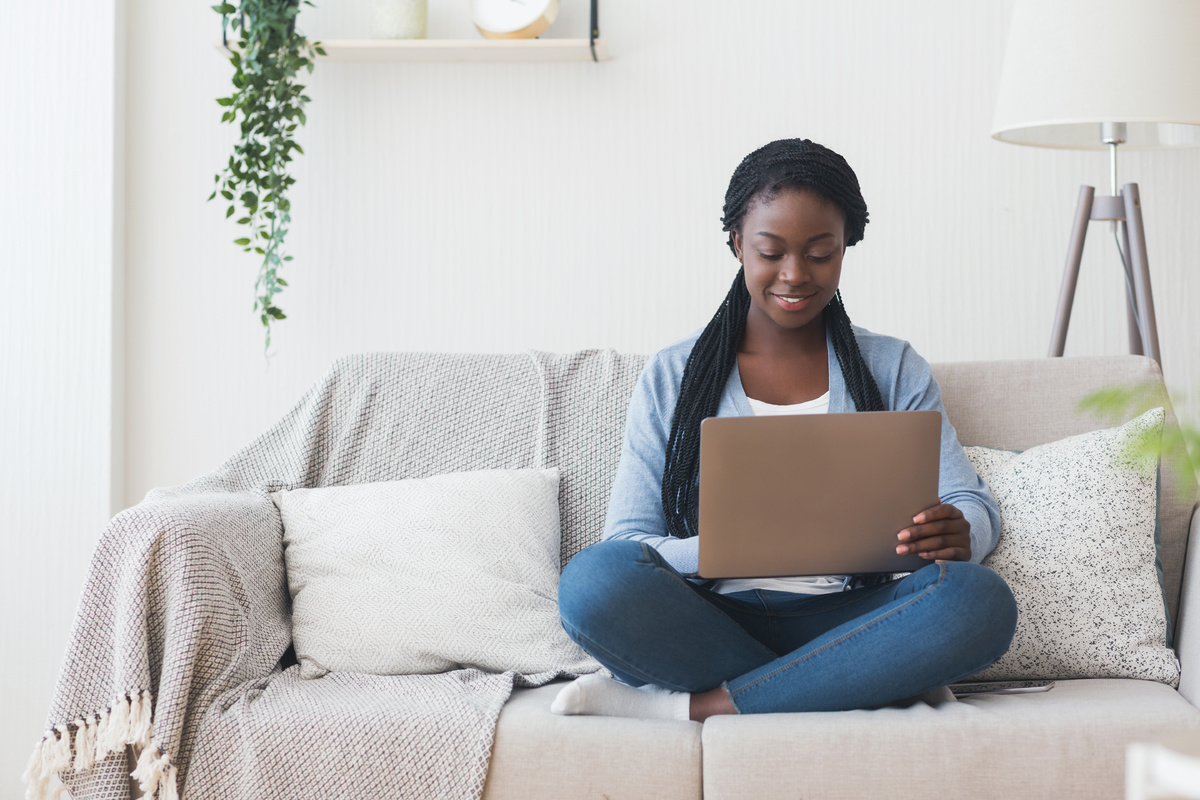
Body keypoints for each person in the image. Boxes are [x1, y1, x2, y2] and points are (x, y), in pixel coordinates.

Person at [552, 138, 1018, 723]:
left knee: (977, 601)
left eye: (820, 253)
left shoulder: (892, 366)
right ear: (737, 244)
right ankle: (855, 680)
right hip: (712, 620)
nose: (795, 275)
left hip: (854, 616)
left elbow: (969, 503)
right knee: (592, 582)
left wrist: (960, 531)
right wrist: (730, 548)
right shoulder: (674, 373)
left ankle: (699, 707)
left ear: (846, 247)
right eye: (771, 252)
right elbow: (627, 544)